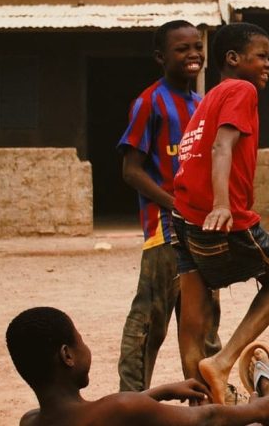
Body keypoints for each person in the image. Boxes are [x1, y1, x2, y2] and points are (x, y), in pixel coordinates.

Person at [171, 22, 269, 403]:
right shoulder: (241, 90)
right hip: (218, 216)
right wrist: (224, 204)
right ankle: (223, 361)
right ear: (233, 59)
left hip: (184, 215)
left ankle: (202, 402)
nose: (268, 64)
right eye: (261, 56)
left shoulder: (210, 96)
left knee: (194, 319)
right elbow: (221, 146)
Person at [115, 20, 221, 392]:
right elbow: (131, 170)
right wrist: (176, 205)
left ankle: (208, 399)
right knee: (150, 320)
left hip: (202, 228)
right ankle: (131, 402)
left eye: (197, 47)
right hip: (165, 227)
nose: (193, 54)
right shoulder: (149, 102)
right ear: (161, 57)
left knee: (204, 321)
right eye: (182, 49)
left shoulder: (202, 104)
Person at [6, 306, 269, 426]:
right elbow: (208, 418)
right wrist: (258, 410)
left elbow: (105, 414)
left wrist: (159, 392)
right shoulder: (120, 408)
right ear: (67, 356)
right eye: (81, 340)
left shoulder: (29, 421)